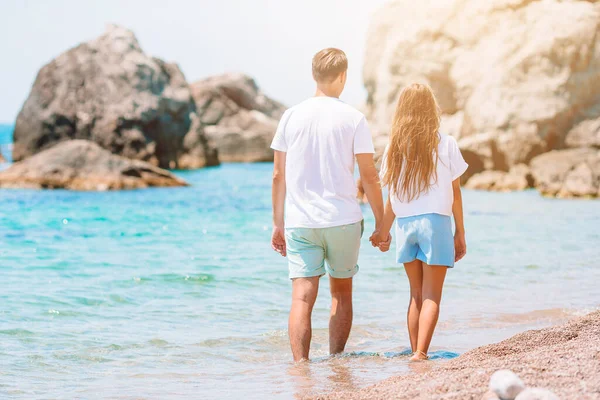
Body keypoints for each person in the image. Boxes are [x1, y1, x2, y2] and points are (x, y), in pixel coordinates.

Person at [270, 48, 385, 362]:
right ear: (344, 76)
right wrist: (381, 221)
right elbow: (370, 176)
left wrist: (278, 223)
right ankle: (335, 361)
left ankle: (300, 368)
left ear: (313, 75)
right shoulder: (353, 118)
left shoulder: (290, 116)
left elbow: (278, 175)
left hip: (300, 221)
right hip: (343, 219)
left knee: (301, 299)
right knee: (341, 293)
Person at [372, 83, 468, 361]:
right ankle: (421, 354)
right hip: (435, 224)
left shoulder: (393, 148)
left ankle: (416, 351)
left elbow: (392, 197)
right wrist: (460, 232)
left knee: (415, 294)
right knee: (432, 295)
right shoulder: (446, 143)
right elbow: (456, 192)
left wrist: (383, 231)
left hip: (405, 226)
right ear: (432, 110)